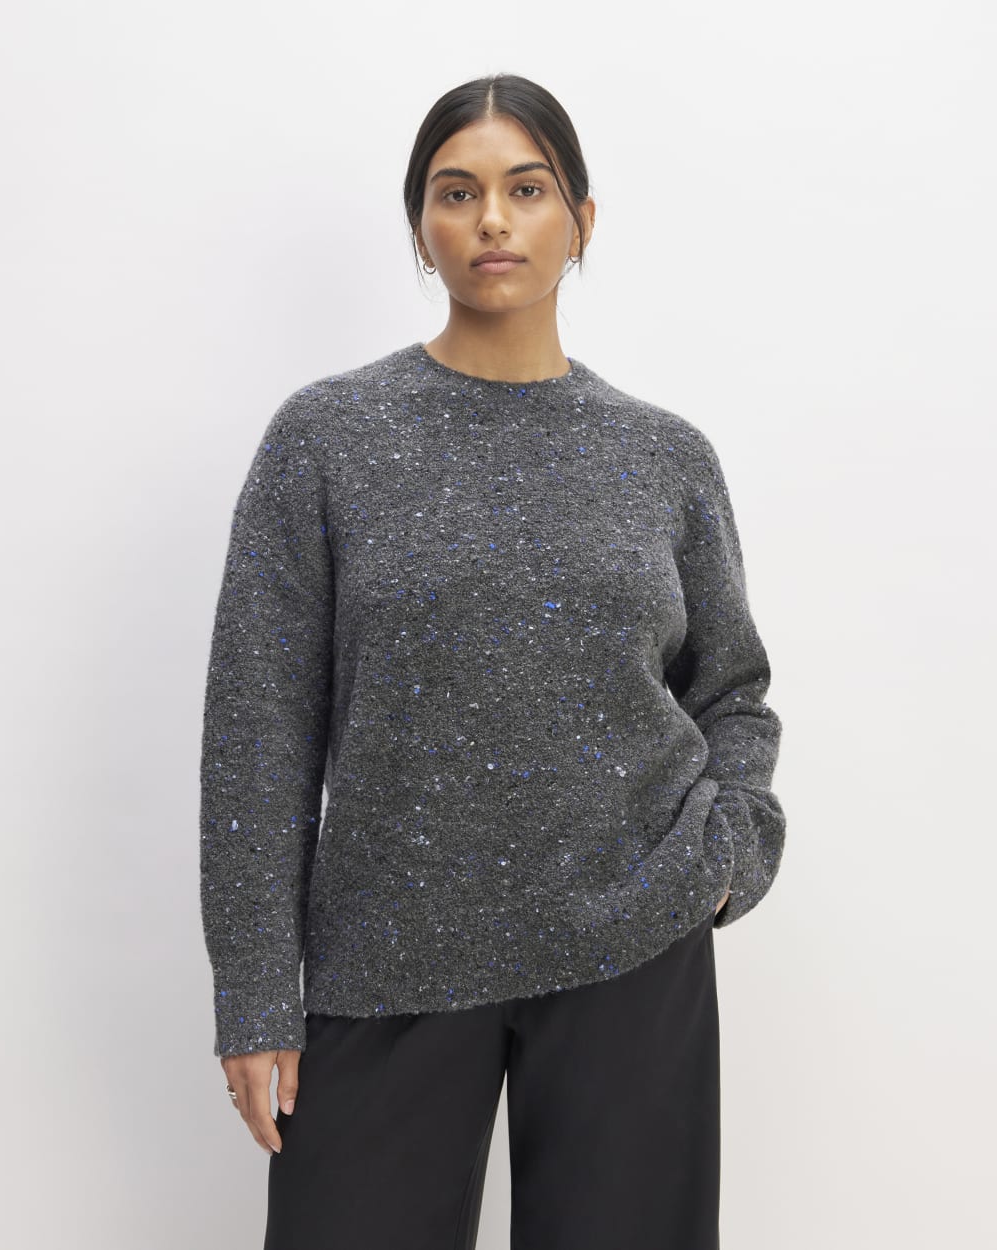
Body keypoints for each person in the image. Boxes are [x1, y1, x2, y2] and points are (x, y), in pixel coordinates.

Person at [199, 71, 786, 1250]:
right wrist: (256, 993)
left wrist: (726, 856)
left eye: (526, 189)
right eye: (455, 192)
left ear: (581, 219)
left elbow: (730, 689)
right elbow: (259, 728)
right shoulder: (327, 439)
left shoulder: (664, 455)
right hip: (387, 949)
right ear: (420, 226)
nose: (492, 221)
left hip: (633, 937)